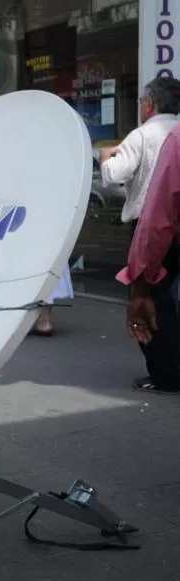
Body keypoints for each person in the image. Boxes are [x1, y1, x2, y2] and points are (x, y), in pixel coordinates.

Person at [101, 78, 180, 391]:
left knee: (153, 299)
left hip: (153, 228)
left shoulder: (143, 135)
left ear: (149, 104)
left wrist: (106, 156)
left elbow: (112, 176)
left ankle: (166, 373)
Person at [121, 121, 180, 361]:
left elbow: (158, 220)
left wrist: (141, 289)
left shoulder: (175, 139)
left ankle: (167, 376)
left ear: (148, 105)